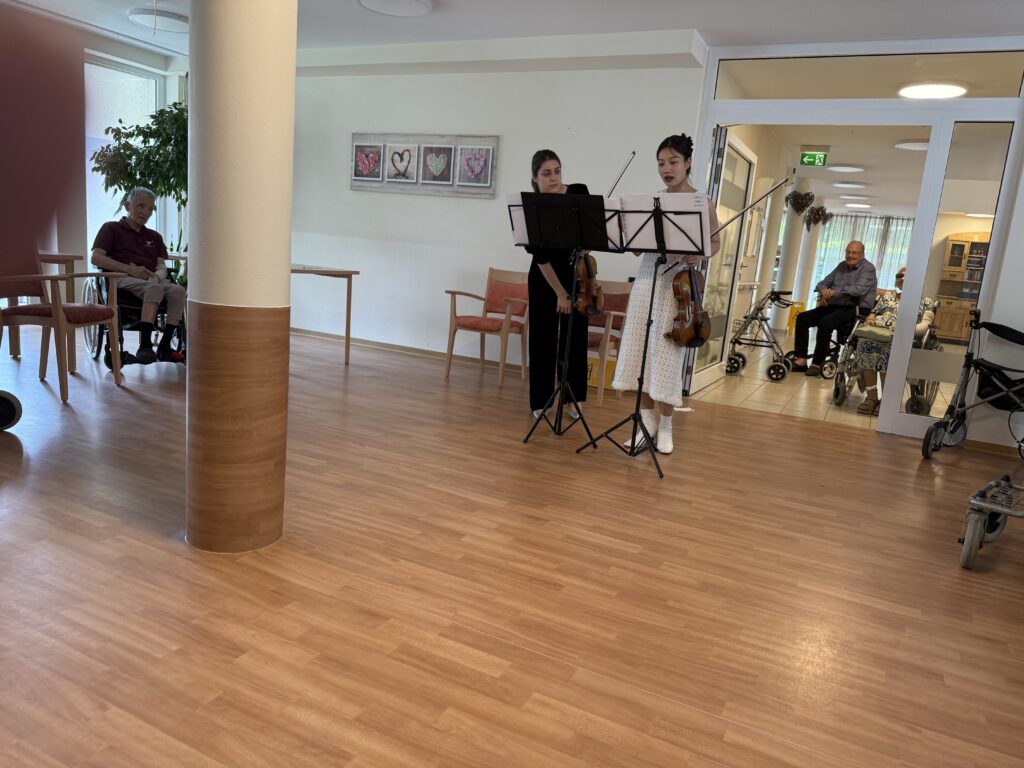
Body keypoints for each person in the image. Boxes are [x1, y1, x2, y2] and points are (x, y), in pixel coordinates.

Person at [611, 133, 721, 455]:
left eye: (673, 162)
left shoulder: (701, 202)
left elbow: (714, 242)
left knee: (668, 356)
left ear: (688, 163)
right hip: (649, 279)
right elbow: (636, 249)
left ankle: (667, 425)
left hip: (678, 285)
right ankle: (646, 424)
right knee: (642, 352)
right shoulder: (653, 202)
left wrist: (701, 255)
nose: (666, 169)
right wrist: (627, 231)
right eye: (661, 163)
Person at [524, 149, 590, 418]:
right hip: (545, 277)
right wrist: (560, 293)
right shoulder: (531, 206)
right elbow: (540, 257)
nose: (553, 178)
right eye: (546, 173)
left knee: (575, 338)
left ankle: (574, 399)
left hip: (577, 273)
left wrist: (587, 244)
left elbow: (591, 232)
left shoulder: (579, 193)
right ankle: (540, 400)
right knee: (543, 338)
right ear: (535, 178)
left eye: (557, 171)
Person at [91, 187, 186, 364]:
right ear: (127, 206)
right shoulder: (111, 228)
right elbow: (96, 257)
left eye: (150, 209)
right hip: (122, 278)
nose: (145, 212)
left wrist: (157, 276)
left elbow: (161, 266)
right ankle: (145, 346)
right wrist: (129, 269)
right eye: (140, 206)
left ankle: (165, 347)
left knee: (178, 291)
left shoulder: (154, 237)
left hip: (151, 280)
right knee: (154, 288)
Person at [854, 266, 936, 414]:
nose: (902, 278)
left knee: (888, 350)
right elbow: (873, 313)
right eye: (899, 275)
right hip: (877, 333)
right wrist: (870, 318)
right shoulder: (887, 296)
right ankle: (871, 398)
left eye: (907, 276)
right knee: (865, 344)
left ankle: (887, 399)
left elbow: (925, 325)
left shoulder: (926, 302)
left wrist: (905, 329)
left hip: (901, 337)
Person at [790, 240, 877, 377]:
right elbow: (823, 283)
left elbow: (858, 290)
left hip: (857, 308)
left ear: (862, 254)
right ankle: (801, 360)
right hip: (836, 305)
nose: (850, 255)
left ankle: (817, 363)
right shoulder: (841, 266)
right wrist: (824, 290)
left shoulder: (868, 269)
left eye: (854, 253)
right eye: (848, 252)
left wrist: (834, 292)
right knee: (803, 318)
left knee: (826, 322)